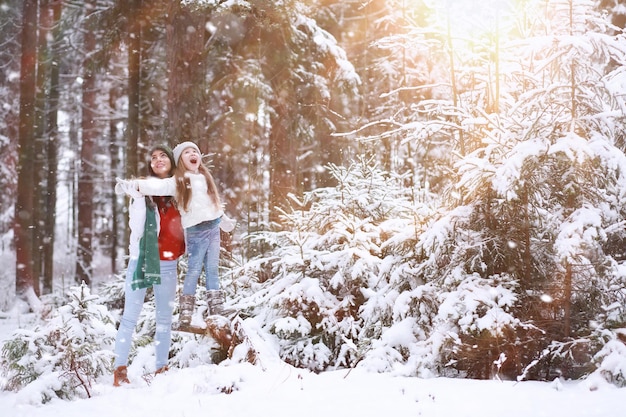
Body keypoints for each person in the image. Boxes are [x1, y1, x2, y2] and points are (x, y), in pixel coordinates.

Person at [117, 141, 234, 329]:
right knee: (194, 269)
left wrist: (224, 221)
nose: (192, 153)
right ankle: (186, 312)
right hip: (196, 230)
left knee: (212, 268)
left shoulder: (206, 177)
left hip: (213, 228)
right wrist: (134, 185)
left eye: (195, 150)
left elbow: (214, 204)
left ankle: (217, 308)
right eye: (187, 152)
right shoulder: (177, 182)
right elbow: (157, 187)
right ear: (180, 160)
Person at [112, 145, 186, 387]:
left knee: (164, 318)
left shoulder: (181, 191)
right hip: (143, 259)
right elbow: (135, 219)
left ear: (172, 162)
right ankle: (119, 370)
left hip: (169, 262)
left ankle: (161, 369)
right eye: (153, 157)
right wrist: (135, 190)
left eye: (163, 155)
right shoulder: (143, 191)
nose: (157, 159)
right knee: (130, 316)